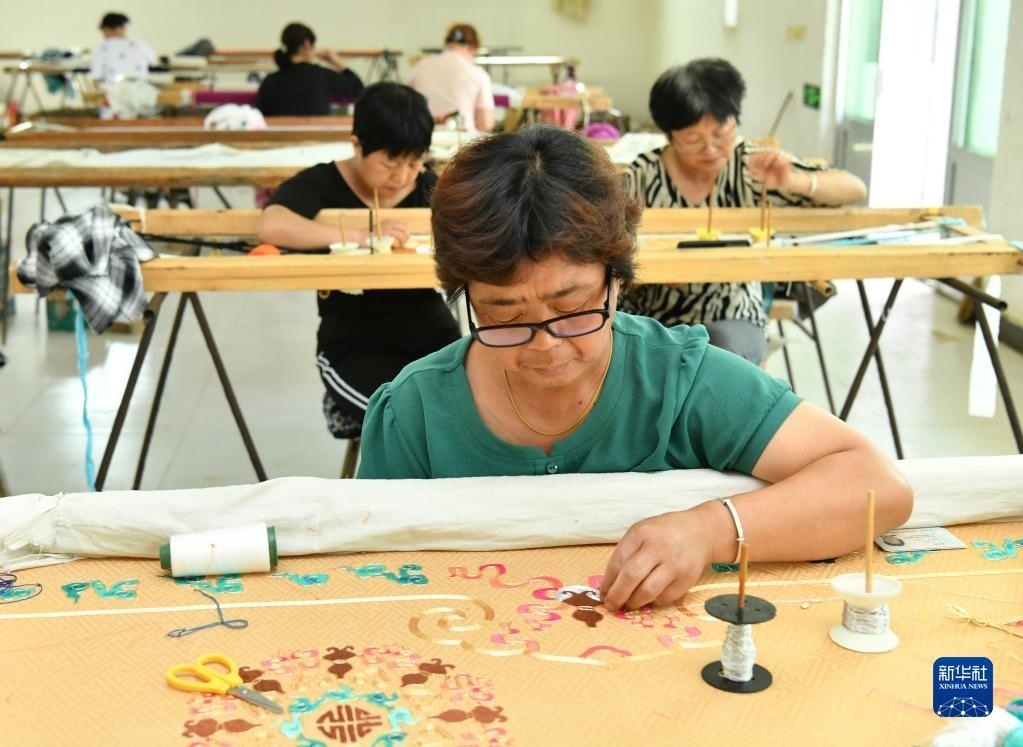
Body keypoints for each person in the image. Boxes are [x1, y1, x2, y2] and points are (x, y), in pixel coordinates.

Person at [356, 125, 912, 612]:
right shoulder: (416, 413)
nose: (546, 345)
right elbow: (368, 572)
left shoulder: (678, 380)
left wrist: (710, 530)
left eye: (573, 308)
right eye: (504, 315)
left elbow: (876, 485)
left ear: (616, 280)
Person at [620, 58, 868, 364]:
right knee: (641, 359)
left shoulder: (752, 166)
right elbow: (604, 247)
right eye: (693, 139)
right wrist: (649, 273)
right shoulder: (643, 175)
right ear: (669, 135)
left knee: (718, 357)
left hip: (731, 312)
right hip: (652, 313)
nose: (711, 149)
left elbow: (854, 188)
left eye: (721, 134)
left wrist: (795, 180)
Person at [257, 82, 460, 438]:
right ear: (356, 145)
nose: (401, 176)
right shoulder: (324, 183)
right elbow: (272, 225)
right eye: (390, 162)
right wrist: (357, 236)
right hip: (354, 339)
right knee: (402, 423)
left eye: (413, 162)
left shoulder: (428, 187)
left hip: (429, 330)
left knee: (468, 413)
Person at [255, 22, 364, 116]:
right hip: (318, 134)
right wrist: (336, 60)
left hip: (280, 134)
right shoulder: (320, 75)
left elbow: (260, 114)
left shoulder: (270, 81)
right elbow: (358, 89)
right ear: (306, 44)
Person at [407, 23, 494, 132]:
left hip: (425, 135)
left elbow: (407, 108)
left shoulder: (420, 66)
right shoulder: (478, 74)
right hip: (462, 138)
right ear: (472, 47)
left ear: (447, 43)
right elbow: (486, 125)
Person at [89, 12, 157, 84]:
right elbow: (154, 62)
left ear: (107, 29)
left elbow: (96, 77)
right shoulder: (141, 45)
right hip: (140, 87)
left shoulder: (102, 48)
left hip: (114, 88)